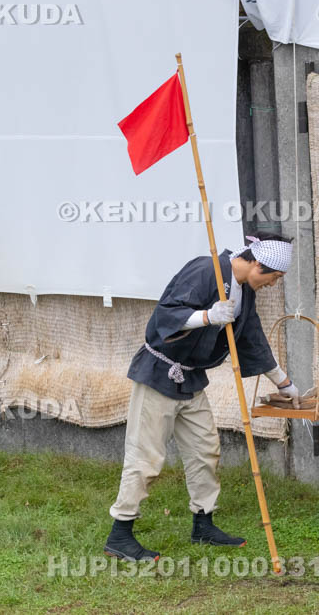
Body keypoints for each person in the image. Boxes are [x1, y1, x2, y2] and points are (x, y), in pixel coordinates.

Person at [103, 232, 299, 562]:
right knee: (145, 457)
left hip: (192, 380)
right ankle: (119, 535)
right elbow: (166, 314)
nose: (273, 285)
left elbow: (252, 337)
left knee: (205, 450)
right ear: (259, 266)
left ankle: (203, 525)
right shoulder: (206, 271)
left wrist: (283, 383)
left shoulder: (244, 292)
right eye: (275, 278)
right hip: (159, 374)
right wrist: (207, 316)